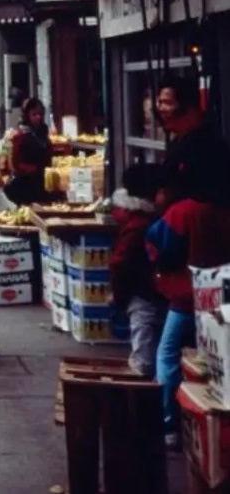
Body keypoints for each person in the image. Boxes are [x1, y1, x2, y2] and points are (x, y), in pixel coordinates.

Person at [145, 76, 230, 447]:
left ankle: (169, 425)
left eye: (166, 102)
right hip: (214, 284)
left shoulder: (186, 212)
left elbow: (160, 247)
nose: (161, 109)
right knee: (211, 351)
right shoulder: (210, 207)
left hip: (191, 288)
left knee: (170, 350)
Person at [110, 163, 164, 378]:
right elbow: (122, 262)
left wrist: (118, 292)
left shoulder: (135, 223)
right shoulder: (146, 221)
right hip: (147, 286)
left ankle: (143, 369)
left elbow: (120, 262)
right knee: (147, 328)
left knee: (144, 328)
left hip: (142, 288)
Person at [4, 98, 53, 205]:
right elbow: (15, 164)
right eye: (34, 114)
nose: (38, 117)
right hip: (26, 185)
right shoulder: (20, 135)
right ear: (27, 115)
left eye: (40, 114)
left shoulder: (43, 133)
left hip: (44, 183)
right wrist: (35, 170)